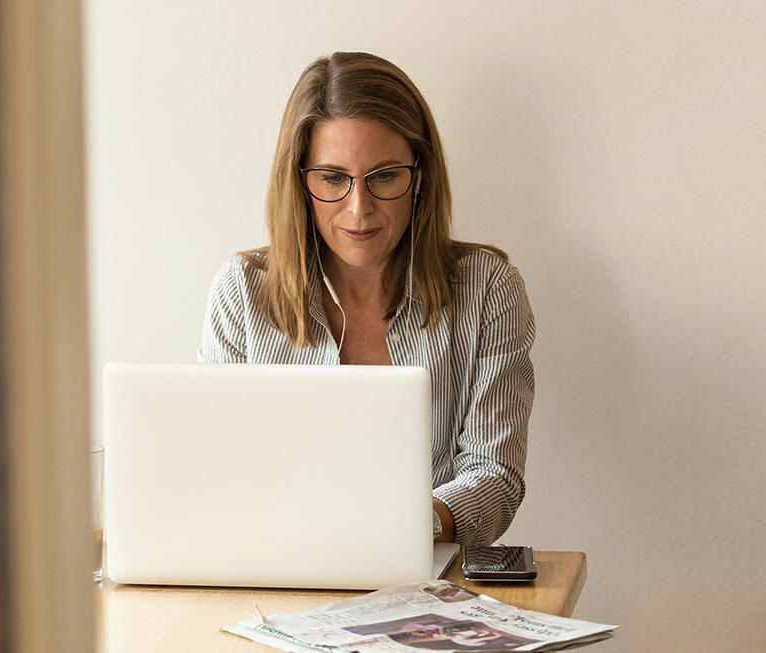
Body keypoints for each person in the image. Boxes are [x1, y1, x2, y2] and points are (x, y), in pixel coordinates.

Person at [197, 52, 535, 546]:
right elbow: (215, 470)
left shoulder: (487, 288)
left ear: (418, 175)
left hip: (427, 577)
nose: (359, 209)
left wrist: (401, 528)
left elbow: (496, 476)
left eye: (383, 176)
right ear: (300, 182)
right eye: (333, 179)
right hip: (273, 569)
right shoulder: (242, 291)